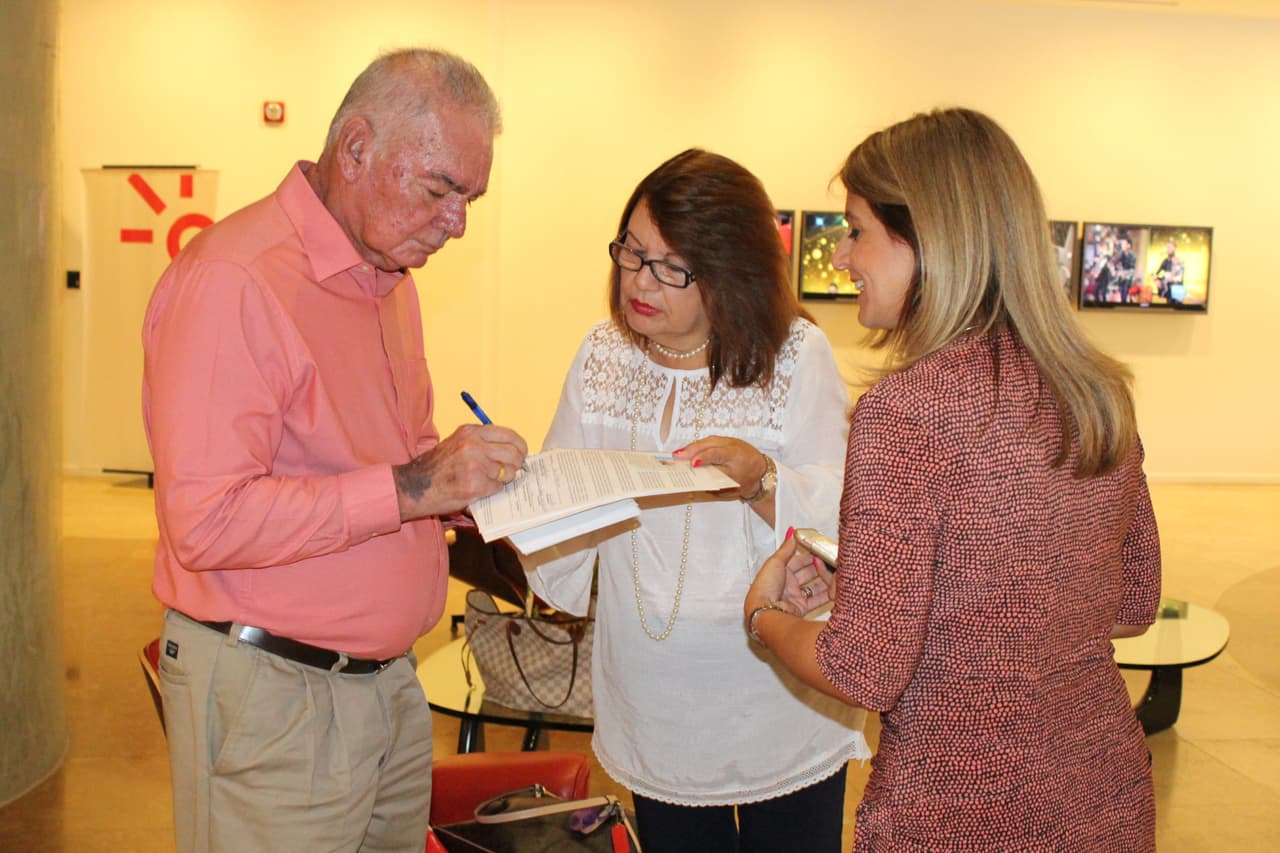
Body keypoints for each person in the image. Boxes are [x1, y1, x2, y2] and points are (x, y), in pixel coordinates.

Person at [142, 49, 528, 853]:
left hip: (383, 686)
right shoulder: (235, 280)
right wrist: (417, 483)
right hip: (276, 696)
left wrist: (472, 487)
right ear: (356, 149)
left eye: (471, 197)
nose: (458, 222)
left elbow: (391, 457)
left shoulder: (390, 279)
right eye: (441, 189)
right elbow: (206, 520)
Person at [744, 108, 1161, 852]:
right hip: (1102, 792)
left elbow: (865, 667)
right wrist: (878, 584)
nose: (841, 257)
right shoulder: (1096, 394)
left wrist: (766, 620)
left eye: (858, 231)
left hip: (956, 813)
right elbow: (1129, 600)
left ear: (927, 240)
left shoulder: (907, 413)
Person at [523, 149, 869, 853]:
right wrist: (519, 492)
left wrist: (763, 480)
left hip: (775, 692)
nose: (638, 281)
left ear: (729, 273)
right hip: (655, 695)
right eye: (631, 252)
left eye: (669, 266)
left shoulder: (794, 356)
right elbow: (561, 508)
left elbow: (847, 510)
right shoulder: (602, 357)